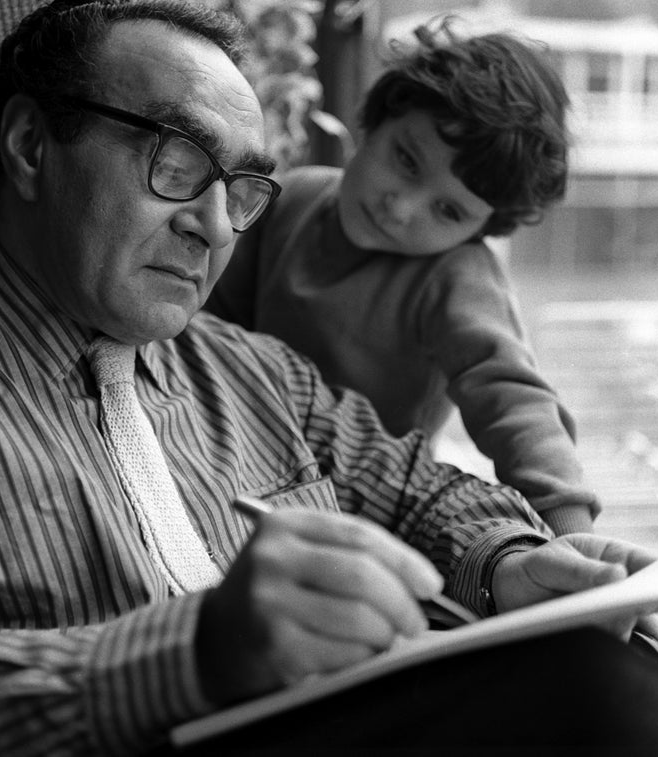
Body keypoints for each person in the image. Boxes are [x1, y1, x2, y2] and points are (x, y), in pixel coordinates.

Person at [0, 1, 658, 755]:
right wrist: (192, 655)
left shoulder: (256, 370)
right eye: (175, 161)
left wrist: (509, 562)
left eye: (240, 190)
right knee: (593, 695)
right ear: (31, 145)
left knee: (603, 672)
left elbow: (424, 487)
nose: (215, 226)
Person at [205, 17, 597, 536]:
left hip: (369, 515)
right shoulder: (293, 197)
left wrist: (569, 528)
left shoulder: (457, 274)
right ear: (377, 119)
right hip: (237, 474)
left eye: (449, 212)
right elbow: (209, 324)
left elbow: (513, 400)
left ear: (483, 229)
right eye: (407, 160)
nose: (401, 207)